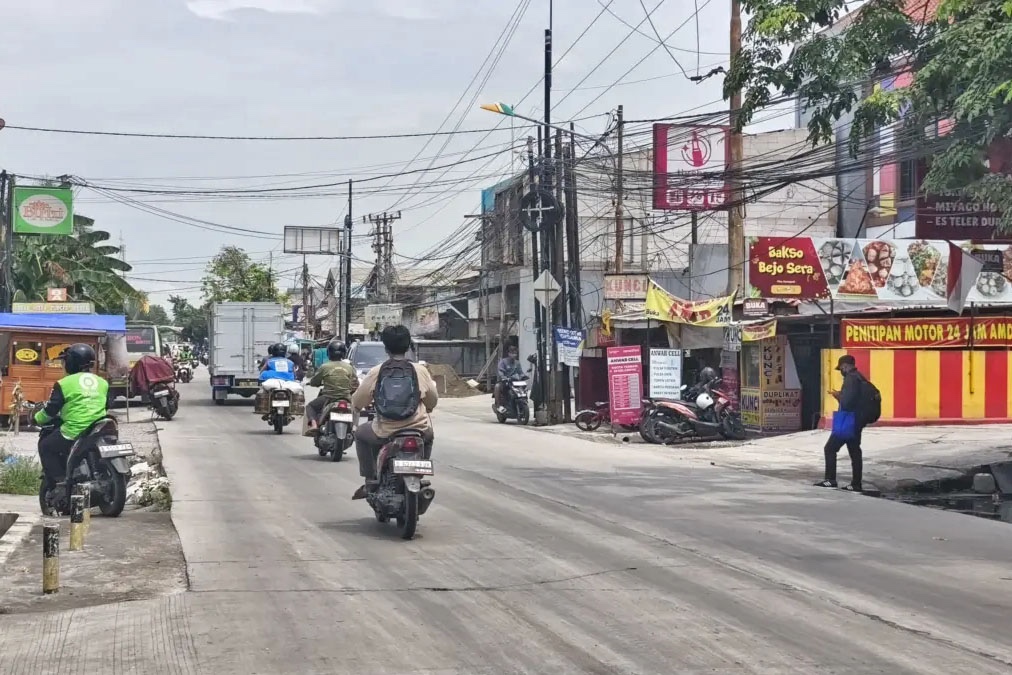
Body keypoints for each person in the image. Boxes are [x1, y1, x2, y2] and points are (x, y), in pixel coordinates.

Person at [351, 325, 437, 499]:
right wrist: (427, 408)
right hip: (418, 429)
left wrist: (357, 412)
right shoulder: (421, 370)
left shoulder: (377, 371)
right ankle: (419, 471)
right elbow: (432, 399)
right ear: (408, 346)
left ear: (386, 347)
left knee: (360, 433)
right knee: (429, 435)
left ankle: (371, 479)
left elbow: (358, 401)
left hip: (385, 431)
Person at [34, 344, 109, 490]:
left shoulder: (64, 383)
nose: (63, 365)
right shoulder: (103, 382)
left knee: (45, 446)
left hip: (76, 430)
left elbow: (51, 410)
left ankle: (60, 482)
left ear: (71, 362)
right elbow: (107, 405)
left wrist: (36, 418)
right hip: (100, 427)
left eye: (64, 361)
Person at [817, 354, 865, 492]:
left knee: (830, 448)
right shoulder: (860, 377)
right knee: (855, 451)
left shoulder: (850, 379)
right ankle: (856, 484)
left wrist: (838, 396)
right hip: (857, 420)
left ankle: (830, 480)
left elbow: (848, 402)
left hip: (848, 421)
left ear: (845, 366)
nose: (841, 372)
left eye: (841, 368)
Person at [306, 340, 358, 431]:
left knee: (310, 406)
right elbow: (355, 383)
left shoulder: (324, 367)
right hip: (346, 397)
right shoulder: (349, 367)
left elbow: (314, 382)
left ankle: (314, 425)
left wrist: (313, 383)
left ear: (329, 353)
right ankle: (354, 426)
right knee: (357, 407)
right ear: (344, 353)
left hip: (328, 397)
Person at [494, 345, 524, 413]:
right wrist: (504, 377)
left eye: (515, 353)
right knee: (497, 386)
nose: (514, 355)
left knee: (523, 390)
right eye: (512, 353)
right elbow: (500, 371)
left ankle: (523, 401)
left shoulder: (517, 363)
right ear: (509, 353)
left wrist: (523, 376)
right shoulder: (503, 362)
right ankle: (499, 406)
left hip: (515, 382)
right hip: (505, 382)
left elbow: (520, 372)